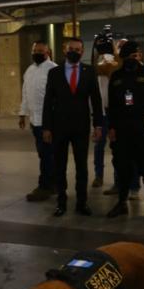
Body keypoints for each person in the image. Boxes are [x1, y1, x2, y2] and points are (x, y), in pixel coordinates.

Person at [105, 41, 144, 221]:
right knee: (123, 168)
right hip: (123, 130)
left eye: (136, 56)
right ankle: (122, 203)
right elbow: (112, 106)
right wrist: (111, 127)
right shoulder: (116, 77)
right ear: (123, 58)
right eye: (130, 57)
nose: (134, 59)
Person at [42, 37, 103, 217]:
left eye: (77, 49)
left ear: (82, 52)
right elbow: (48, 102)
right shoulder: (54, 72)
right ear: (64, 49)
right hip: (58, 127)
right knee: (59, 167)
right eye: (71, 48)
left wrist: (98, 124)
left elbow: (96, 100)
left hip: (81, 127)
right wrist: (46, 127)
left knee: (81, 167)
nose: (74, 52)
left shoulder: (90, 71)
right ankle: (61, 203)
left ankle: (82, 203)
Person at [93, 38, 141, 198]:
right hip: (104, 112)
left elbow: (111, 68)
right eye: (117, 46)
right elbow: (100, 69)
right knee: (110, 150)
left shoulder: (124, 66)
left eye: (121, 47)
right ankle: (112, 181)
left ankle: (132, 186)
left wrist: (115, 53)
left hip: (123, 114)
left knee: (128, 152)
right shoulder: (105, 62)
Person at [19, 40, 57, 202]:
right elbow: (26, 94)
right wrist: (22, 114)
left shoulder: (54, 69)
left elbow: (57, 98)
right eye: (35, 50)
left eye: (40, 51)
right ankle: (54, 184)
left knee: (47, 155)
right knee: (44, 154)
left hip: (49, 122)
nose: (37, 53)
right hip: (35, 121)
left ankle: (44, 187)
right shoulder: (29, 71)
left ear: (47, 52)